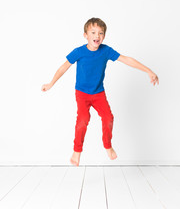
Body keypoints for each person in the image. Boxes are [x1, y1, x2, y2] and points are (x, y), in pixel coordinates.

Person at [41, 17, 159, 166]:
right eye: (93, 32)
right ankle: (77, 151)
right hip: (82, 94)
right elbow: (63, 67)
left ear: (104, 36)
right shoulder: (79, 52)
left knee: (108, 118)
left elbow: (127, 59)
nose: (97, 36)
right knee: (83, 120)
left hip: (98, 93)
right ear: (85, 35)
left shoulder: (106, 51)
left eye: (101, 33)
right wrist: (51, 83)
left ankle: (108, 146)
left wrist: (148, 71)